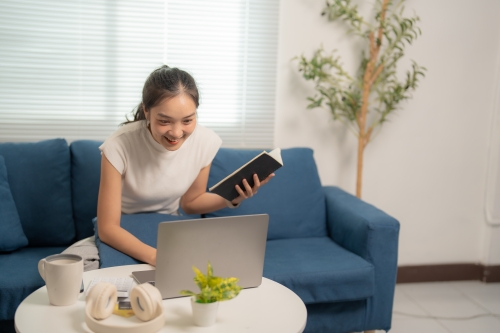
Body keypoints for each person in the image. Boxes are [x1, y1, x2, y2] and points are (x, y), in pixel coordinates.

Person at [97, 65, 273, 266]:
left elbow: (190, 203)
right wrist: (156, 256)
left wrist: (231, 198)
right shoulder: (118, 145)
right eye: (164, 121)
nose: (177, 133)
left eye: (187, 120)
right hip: (123, 231)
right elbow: (108, 228)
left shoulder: (205, 142)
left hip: (168, 228)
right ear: (146, 111)